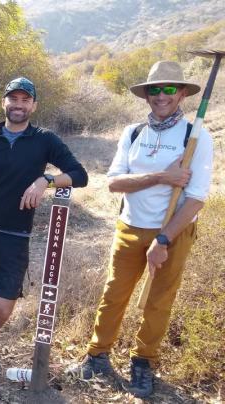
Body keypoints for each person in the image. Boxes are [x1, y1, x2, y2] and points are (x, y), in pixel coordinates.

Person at [69, 61, 212, 398]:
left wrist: (163, 239)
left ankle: (143, 362)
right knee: (113, 294)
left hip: (173, 232)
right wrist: (161, 176)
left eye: (168, 89)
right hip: (130, 226)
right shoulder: (133, 132)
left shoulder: (196, 136)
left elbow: (195, 198)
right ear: (146, 94)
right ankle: (97, 356)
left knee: (159, 301)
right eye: (154, 89)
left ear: (180, 93)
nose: (161, 96)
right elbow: (115, 183)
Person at [0, 77, 88, 384]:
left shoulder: (45, 140)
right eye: (14, 99)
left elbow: (80, 174)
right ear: (4, 102)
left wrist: (45, 181)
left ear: (33, 105)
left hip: (16, 236)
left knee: (4, 305)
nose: (19, 105)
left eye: (25, 100)